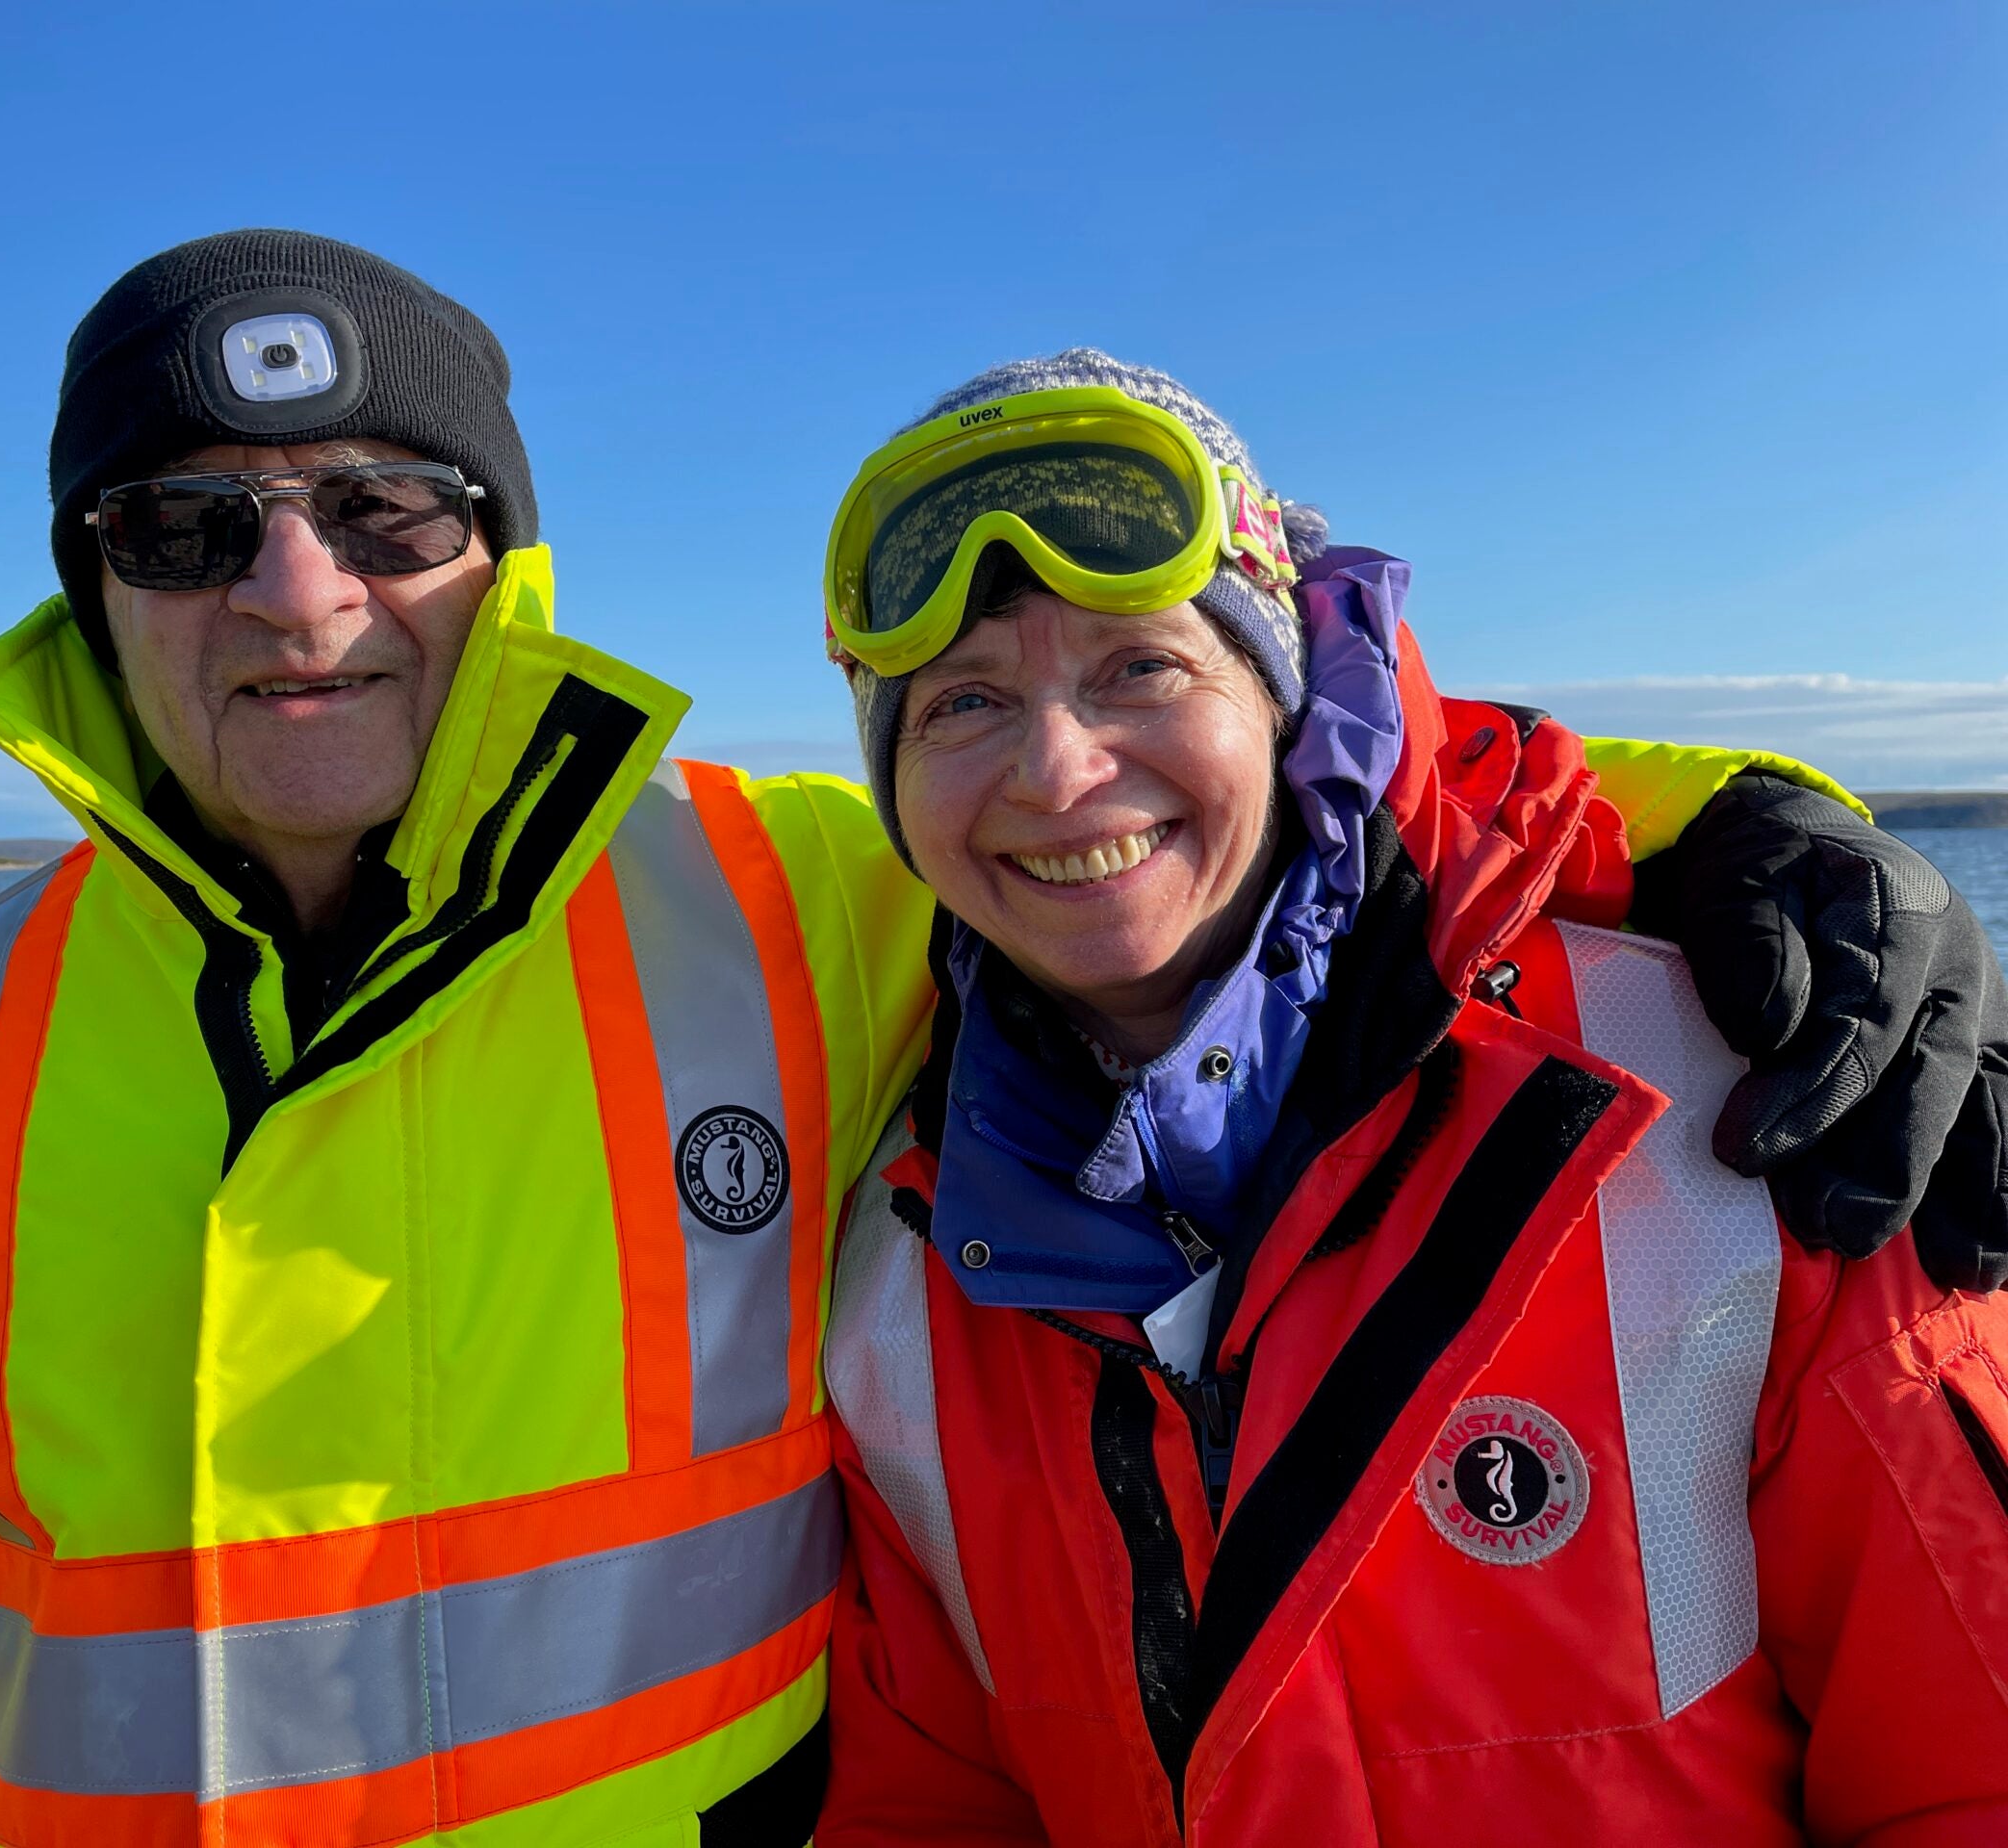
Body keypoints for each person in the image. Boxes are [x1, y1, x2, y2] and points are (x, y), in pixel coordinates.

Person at [0, 237, 2005, 1846]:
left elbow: (1302, 827)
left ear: (498, 557)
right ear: (88, 589)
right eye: (184, 525)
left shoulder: (780, 900)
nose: (297, 592)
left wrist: (1745, 831)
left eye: (381, 506)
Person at [812, 353, 2008, 1844]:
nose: (1058, 770)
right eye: (963, 704)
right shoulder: (901, 1259)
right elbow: (931, 1797)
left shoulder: (1730, 1105)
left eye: (1142, 666)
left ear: (1286, 696)